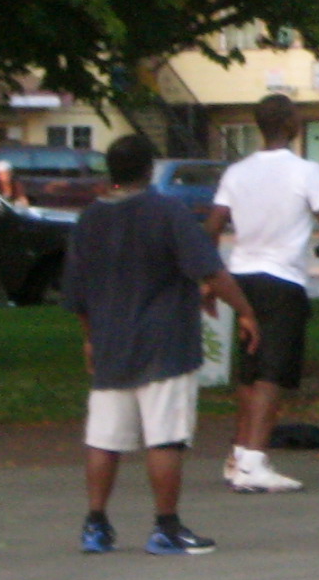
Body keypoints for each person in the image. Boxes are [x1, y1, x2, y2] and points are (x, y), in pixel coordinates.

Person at [62, 132, 261, 556]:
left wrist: (90, 338)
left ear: (111, 172)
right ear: (149, 169)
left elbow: (77, 293)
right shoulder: (165, 211)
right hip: (165, 343)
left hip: (111, 342)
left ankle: (95, 525)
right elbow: (211, 271)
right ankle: (165, 527)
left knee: (104, 438)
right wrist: (244, 310)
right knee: (165, 438)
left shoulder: (90, 220)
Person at [206, 94, 319, 493]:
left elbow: (213, 226)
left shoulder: (236, 173)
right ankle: (254, 460)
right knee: (273, 371)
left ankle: (238, 457)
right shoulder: (307, 172)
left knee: (249, 371)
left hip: (241, 278)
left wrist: (207, 278)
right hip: (282, 279)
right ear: (289, 124)